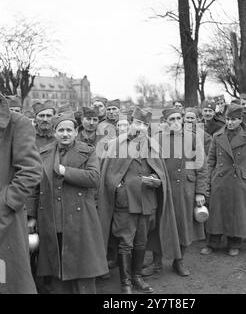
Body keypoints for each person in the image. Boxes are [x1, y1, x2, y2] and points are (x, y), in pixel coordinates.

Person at [99, 107, 181, 294]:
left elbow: (160, 170)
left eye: (144, 124)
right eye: (137, 123)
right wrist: (118, 188)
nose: (141, 127)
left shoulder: (152, 145)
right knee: (125, 242)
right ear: (131, 123)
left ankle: (137, 276)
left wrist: (155, 179)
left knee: (141, 242)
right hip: (125, 203)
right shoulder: (116, 144)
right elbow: (108, 173)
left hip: (147, 201)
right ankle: (125, 281)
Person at [27, 112, 108, 294]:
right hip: (51, 218)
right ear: (55, 132)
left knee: (82, 268)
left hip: (80, 219)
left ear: (76, 131)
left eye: (69, 130)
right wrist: (31, 218)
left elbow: (94, 178)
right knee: (57, 269)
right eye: (61, 130)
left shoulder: (88, 151)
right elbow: (34, 187)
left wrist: (65, 171)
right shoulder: (43, 153)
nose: (65, 134)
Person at [143, 108, 208, 277]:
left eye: (179, 118)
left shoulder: (193, 137)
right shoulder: (157, 139)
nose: (176, 121)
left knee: (183, 225)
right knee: (159, 225)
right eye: (171, 119)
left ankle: (178, 261)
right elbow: (150, 164)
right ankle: (157, 262)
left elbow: (201, 166)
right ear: (165, 121)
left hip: (185, 188)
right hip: (163, 189)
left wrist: (200, 192)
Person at [201, 103, 246, 256]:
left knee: (237, 213)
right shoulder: (217, 136)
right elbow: (210, 162)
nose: (230, 123)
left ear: (241, 120)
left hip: (239, 180)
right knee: (216, 213)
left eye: (234, 119)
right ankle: (212, 242)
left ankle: (234, 243)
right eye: (228, 119)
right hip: (220, 180)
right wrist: (206, 183)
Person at [0, 92, 43, 293]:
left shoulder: (17, 124)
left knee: (7, 281)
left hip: (4, 221)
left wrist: (5, 203)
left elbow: (31, 171)